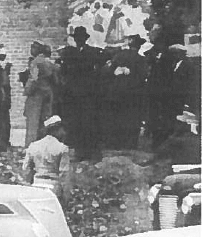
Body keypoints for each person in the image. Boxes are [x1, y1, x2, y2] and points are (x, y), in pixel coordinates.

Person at [57, 26, 104, 160]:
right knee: (75, 122)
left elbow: (97, 69)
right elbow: (64, 72)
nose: (79, 41)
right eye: (77, 39)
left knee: (88, 122)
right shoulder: (68, 53)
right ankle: (79, 151)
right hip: (73, 94)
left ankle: (90, 150)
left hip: (88, 93)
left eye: (81, 39)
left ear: (85, 39)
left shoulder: (92, 52)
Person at [103, 34, 147, 149]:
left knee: (118, 117)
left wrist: (117, 71)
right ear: (139, 47)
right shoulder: (141, 59)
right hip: (134, 94)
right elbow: (143, 76)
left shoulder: (119, 56)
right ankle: (130, 144)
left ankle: (116, 143)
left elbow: (108, 72)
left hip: (117, 92)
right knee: (132, 118)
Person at [23, 115, 70, 202]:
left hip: (36, 185)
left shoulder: (33, 146)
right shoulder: (62, 148)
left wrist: (28, 185)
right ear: (56, 130)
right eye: (62, 129)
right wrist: (66, 195)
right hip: (54, 187)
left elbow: (26, 169)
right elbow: (64, 174)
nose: (64, 133)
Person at [23, 41, 58, 146]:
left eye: (33, 48)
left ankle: (31, 146)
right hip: (48, 93)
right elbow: (56, 80)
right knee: (44, 121)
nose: (31, 50)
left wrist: (27, 90)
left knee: (33, 122)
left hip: (36, 95)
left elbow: (34, 79)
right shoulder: (50, 63)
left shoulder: (36, 62)